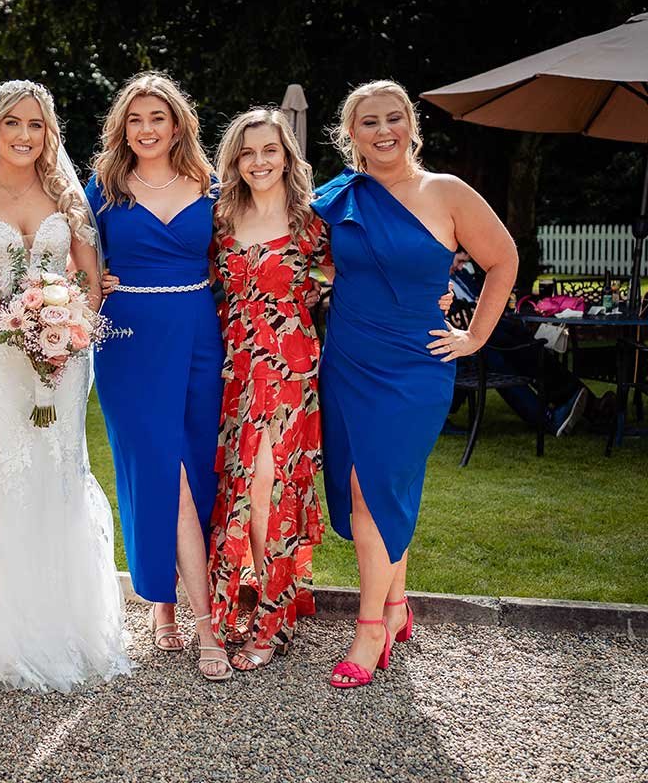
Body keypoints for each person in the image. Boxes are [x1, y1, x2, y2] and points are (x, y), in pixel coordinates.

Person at [0, 80, 130, 693]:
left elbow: (90, 275)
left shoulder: (66, 195)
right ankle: (6, 626)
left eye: (35, 124)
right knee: (9, 468)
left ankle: (64, 621)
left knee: (59, 468)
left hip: (62, 355)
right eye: (12, 122)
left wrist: (67, 328)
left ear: (49, 133)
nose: (23, 135)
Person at [312, 80, 517, 689]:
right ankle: (398, 605)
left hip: (414, 368)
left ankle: (370, 628)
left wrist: (474, 337)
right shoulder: (340, 197)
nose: (383, 131)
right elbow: (311, 257)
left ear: (411, 125)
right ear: (351, 134)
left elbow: (503, 259)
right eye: (369, 122)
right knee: (373, 489)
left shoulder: (445, 192)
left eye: (393, 118)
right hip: (348, 362)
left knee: (372, 489)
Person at [86, 71, 231, 682]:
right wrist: (91, 285)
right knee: (159, 473)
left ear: (177, 126)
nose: (146, 130)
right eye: (135, 120)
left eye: (158, 118)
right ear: (122, 129)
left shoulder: (213, 186)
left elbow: (249, 252)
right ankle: (207, 625)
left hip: (197, 337)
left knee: (196, 468)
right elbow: (69, 258)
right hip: (128, 341)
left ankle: (164, 604)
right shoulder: (102, 190)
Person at [204, 108, 334, 671]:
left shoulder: (312, 222)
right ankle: (252, 598)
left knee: (269, 488)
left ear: (287, 157)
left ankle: (272, 619)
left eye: (269, 151)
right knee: (237, 486)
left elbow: (356, 279)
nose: (258, 161)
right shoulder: (220, 218)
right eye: (247, 152)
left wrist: (436, 297)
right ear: (235, 160)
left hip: (289, 369)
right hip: (231, 369)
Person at [448, 250, 598, 435]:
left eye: (464, 262)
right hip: (462, 348)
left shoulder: (462, 275)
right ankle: (550, 417)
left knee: (522, 341)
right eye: (459, 261)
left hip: (483, 334)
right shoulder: (435, 282)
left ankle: (576, 399)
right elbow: (456, 317)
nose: (461, 267)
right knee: (498, 358)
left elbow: (482, 301)